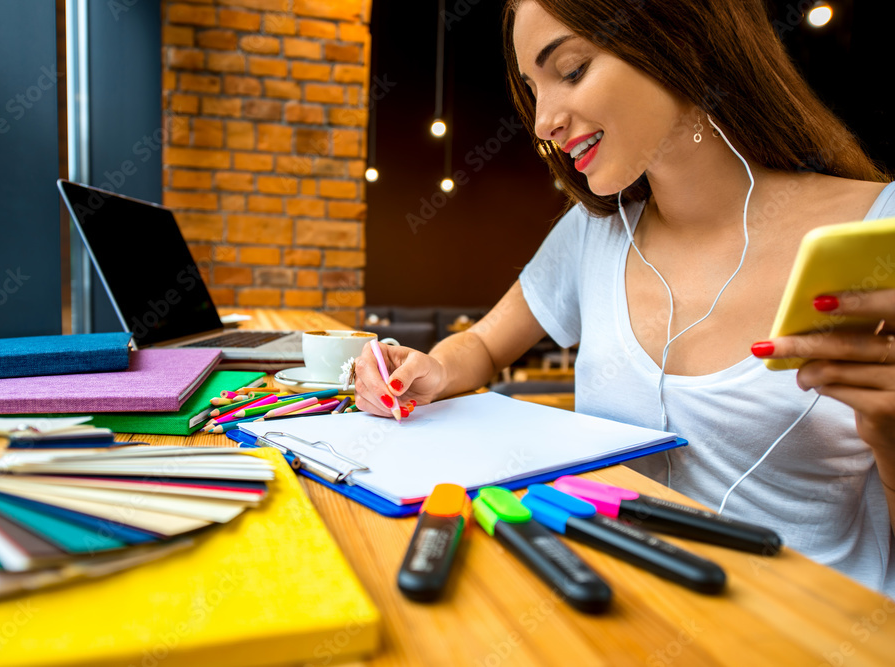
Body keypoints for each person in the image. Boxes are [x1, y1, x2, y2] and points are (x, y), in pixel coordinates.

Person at [353, 0, 895, 596]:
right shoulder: (595, 233)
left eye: (572, 69)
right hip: (614, 606)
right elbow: (483, 343)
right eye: (533, 88)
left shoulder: (880, 230)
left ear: (681, 41)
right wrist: (428, 368)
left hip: (817, 632)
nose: (542, 124)